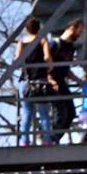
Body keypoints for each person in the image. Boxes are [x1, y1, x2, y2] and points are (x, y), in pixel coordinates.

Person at [15, 16, 56, 146]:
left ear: (27, 29)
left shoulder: (21, 42)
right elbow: (47, 56)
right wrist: (49, 66)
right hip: (41, 80)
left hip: (26, 81)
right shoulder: (42, 40)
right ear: (38, 28)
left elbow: (17, 59)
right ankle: (47, 140)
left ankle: (24, 141)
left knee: (26, 112)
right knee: (44, 113)